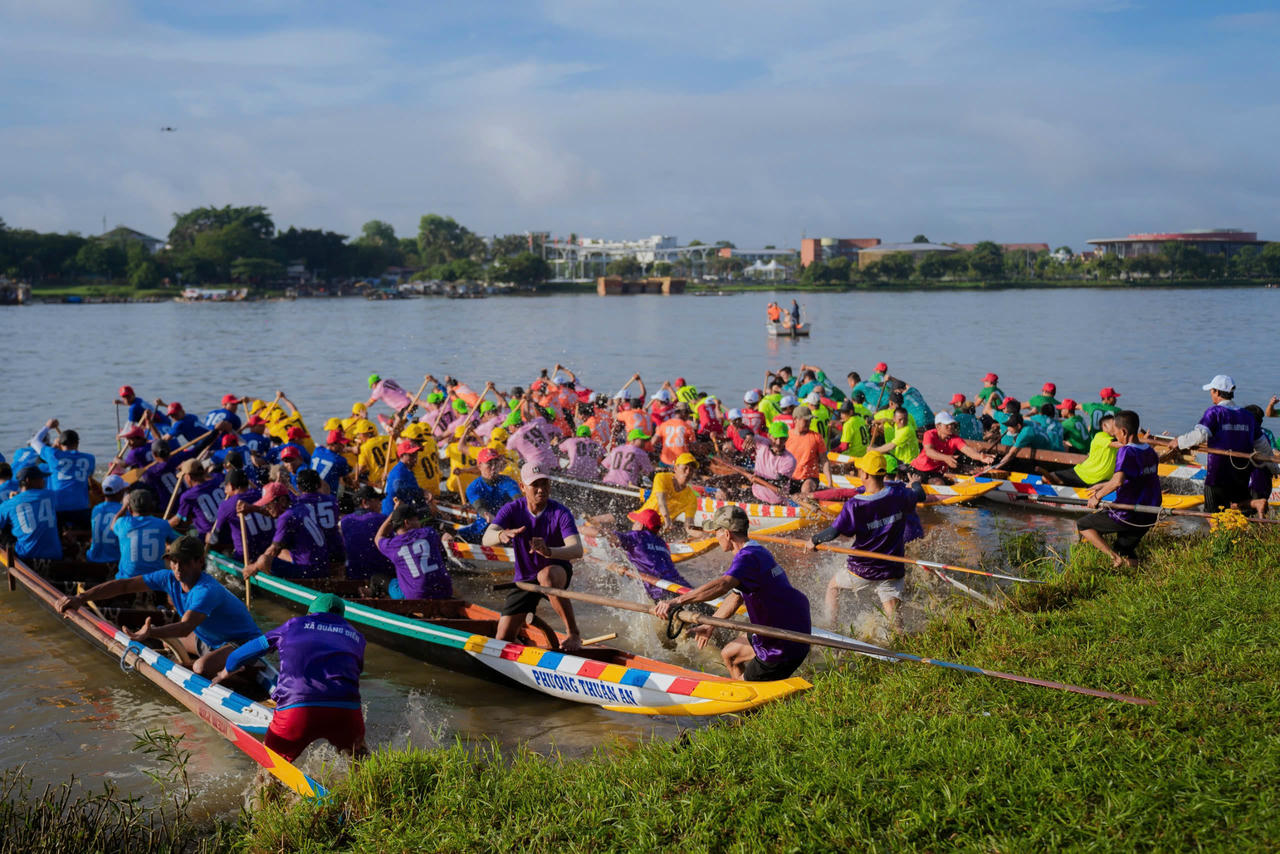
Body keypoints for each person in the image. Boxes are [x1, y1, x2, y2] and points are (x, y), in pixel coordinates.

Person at [59, 536, 263, 678]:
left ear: (200, 561)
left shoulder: (206, 590)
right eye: (173, 561)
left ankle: (240, 673)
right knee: (168, 644)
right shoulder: (168, 578)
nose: (177, 568)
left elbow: (185, 627)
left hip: (244, 643)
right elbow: (125, 586)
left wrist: (150, 633)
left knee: (200, 668)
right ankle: (197, 665)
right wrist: (81, 598)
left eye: (184, 562)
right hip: (212, 641)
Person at [654, 505, 810, 681]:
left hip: (781, 641)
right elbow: (735, 598)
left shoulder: (746, 558)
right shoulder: (758, 551)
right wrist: (710, 625)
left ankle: (746, 695)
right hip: (792, 627)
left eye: (716, 532)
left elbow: (722, 585)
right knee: (729, 654)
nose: (715, 537)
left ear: (727, 534)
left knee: (747, 690)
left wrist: (676, 601)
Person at [214, 593, 367, 762]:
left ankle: (268, 778)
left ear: (310, 614)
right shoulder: (357, 637)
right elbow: (356, 670)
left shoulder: (292, 626)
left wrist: (227, 670)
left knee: (271, 768)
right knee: (360, 759)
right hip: (345, 711)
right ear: (342, 617)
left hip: (297, 710)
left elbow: (239, 655)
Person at [809, 451, 919, 624]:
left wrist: (814, 540)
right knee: (893, 616)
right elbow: (920, 495)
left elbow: (833, 532)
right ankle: (900, 638)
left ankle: (831, 627)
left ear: (865, 475)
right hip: (892, 567)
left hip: (863, 568)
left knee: (833, 587)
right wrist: (915, 484)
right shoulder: (900, 494)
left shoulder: (855, 505)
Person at [484, 463, 584, 649]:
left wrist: (549, 551)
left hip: (556, 571)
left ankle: (573, 634)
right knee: (502, 639)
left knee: (545, 576)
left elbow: (577, 549)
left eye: (545, 483)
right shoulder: (512, 509)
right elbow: (486, 538)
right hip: (525, 577)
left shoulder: (560, 512)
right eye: (535, 485)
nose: (541, 489)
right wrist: (501, 534)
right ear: (522, 487)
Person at [1169, 375, 1274, 514]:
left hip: (1218, 474)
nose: (1211, 394)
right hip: (1241, 474)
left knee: (1212, 513)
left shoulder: (1215, 412)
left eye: (1211, 391)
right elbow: (1263, 445)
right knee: (1234, 507)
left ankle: (1219, 528)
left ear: (1217, 392)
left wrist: (1179, 442)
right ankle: (1254, 505)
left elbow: (1200, 435)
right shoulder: (1247, 416)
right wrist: (1273, 467)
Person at [1076, 410, 1162, 567]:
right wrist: (1104, 484)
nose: (1115, 437)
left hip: (1128, 513)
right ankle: (1133, 574)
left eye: (1115, 433)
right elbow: (1137, 477)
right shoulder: (1150, 451)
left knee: (1083, 524)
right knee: (1124, 549)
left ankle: (1114, 558)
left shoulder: (1126, 451)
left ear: (1123, 431)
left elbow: (1118, 482)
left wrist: (1096, 497)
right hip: (1150, 513)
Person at [245, 474, 342, 579]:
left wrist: (254, 566)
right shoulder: (301, 507)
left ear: (282, 501)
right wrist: (251, 508)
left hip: (308, 571)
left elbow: (273, 550)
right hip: (323, 566)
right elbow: (273, 513)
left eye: (268, 504)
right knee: (283, 553)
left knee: (263, 560)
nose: (267, 508)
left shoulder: (286, 517)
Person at [603, 509, 691, 600]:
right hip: (683, 588)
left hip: (660, 593)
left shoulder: (636, 536)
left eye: (636, 522)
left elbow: (611, 538)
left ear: (641, 525)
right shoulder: (662, 542)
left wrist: (599, 531)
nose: (633, 524)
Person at [374, 503, 455, 599]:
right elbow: (442, 556)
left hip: (416, 597)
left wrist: (393, 513)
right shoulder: (430, 532)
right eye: (416, 520)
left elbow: (378, 537)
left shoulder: (391, 546)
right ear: (407, 522)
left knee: (376, 578)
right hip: (445, 592)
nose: (419, 523)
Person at [29, 419, 95, 531]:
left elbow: (34, 442)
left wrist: (47, 426)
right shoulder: (90, 458)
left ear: (60, 444)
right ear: (77, 443)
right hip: (81, 507)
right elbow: (90, 475)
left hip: (59, 508)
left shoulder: (53, 454)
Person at [112, 488, 180, 578]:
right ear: (152, 507)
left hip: (127, 579)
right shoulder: (163, 524)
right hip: (156, 579)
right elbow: (176, 544)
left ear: (129, 509)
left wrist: (124, 506)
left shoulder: (122, 523)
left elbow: (112, 525)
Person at [0, 466, 62, 564]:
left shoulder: (8, 504)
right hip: (55, 554)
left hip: (25, 555)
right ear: (28, 480)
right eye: (40, 478)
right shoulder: (51, 495)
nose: (43, 481)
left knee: (6, 526)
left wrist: (12, 500)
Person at [457, 449, 521, 543]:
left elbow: (519, 501)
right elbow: (480, 508)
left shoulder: (509, 482)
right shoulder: (473, 487)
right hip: (482, 528)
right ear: (479, 466)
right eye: (489, 464)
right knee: (450, 535)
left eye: (496, 463)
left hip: (508, 527)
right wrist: (488, 516)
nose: (494, 467)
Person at [909, 412, 994, 481]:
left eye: (952, 424)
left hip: (936, 472)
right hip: (919, 469)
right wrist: (946, 458)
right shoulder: (929, 434)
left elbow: (967, 450)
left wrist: (980, 457)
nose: (951, 427)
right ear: (938, 426)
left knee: (939, 482)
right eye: (947, 425)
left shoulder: (955, 439)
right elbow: (929, 452)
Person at [209, 470, 271, 563]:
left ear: (231, 486)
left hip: (246, 558)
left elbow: (214, 536)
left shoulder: (226, 505)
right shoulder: (261, 494)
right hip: (269, 552)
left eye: (226, 486)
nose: (225, 489)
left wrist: (209, 538)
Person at [339, 484, 394, 580]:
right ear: (365, 502)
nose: (380, 504)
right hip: (382, 575)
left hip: (354, 574)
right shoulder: (382, 520)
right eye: (377, 500)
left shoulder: (344, 521)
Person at [1048, 413, 1118, 487]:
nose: (1116, 427)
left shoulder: (1118, 439)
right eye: (1113, 425)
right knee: (1051, 476)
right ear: (1104, 426)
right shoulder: (1100, 435)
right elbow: (1116, 444)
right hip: (1085, 473)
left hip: (1099, 478)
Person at [635, 453, 700, 531]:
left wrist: (703, 535)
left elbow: (689, 526)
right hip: (640, 523)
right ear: (675, 468)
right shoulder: (661, 477)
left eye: (691, 470)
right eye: (685, 468)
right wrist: (667, 519)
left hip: (659, 529)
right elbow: (661, 501)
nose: (688, 472)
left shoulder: (691, 497)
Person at [170, 458, 225, 538]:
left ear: (188, 477)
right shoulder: (217, 481)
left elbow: (178, 520)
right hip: (228, 531)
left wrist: (162, 526)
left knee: (190, 531)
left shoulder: (188, 496)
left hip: (210, 537)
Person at [987, 412, 1056, 472]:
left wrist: (996, 467)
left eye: (1010, 426)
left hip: (1046, 457)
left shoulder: (1026, 433)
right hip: (1045, 447)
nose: (1008, 429)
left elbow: (1011, 453)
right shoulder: (1027, 423)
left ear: (1018, 426)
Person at [785, 406, 830, 496]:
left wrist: (830, 483)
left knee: (806, 489)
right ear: (795, 420)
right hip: (790, 477)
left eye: (810, 420)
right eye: (806, 420)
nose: (809, 423)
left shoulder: (817, 437)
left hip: (809, 478)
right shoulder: (786, 436)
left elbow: (824, 460)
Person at [86, 475, 128, 566]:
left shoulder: (96, 509)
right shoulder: (124, 511)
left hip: (93, 557)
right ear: (120, 492)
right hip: (116, 558)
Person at [753, 422, 797, 505]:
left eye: (782, 439)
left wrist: (759, 479)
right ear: (769, 436)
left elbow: (780, 484)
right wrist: (748, 436)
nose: (778, 442)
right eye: (776, 438)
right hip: (756, 497)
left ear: (787, 439)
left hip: (777, 503)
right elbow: (744, 432)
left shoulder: (790, 460)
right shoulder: (762, 443)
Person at [310, 430, 354, 496]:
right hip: (328, 495)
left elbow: (326, 449)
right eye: (341, 443)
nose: (344, 446)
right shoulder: (340, 460)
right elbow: (347, 480)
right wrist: (354, 484)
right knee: (342, 482)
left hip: (311, 489)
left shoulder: (317, 450)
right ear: (334, 444)